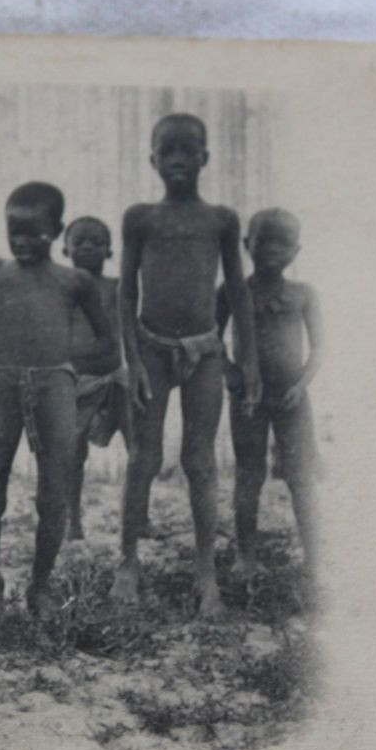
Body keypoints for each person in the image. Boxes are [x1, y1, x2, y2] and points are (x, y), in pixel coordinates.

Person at [111, 114, 260, 616]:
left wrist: (250, 360)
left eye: (188, 150)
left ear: (205, 158)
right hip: (151, 347)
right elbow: (125, 290)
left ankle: (206, 575)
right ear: (152, 159)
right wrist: (130, 361)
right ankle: (127, 563)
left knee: (200, 461)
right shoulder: (139, 218)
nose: (178, 159)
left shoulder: (221, 219)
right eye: (167, 150)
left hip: (204, 350)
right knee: (143, 458)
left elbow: (237, 292)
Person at [0, 182, 117, 616]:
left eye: (34, 233)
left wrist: (61, 364)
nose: (21, 241)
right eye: (13, 231)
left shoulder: (73, 280)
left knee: (52, 492)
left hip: (55, 387)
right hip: (1, 387)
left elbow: (109, 345)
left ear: (56, 231)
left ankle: (39, 585)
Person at [218, 208, 322, 591]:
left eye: (283, 243)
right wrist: (231, 375)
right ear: (247, 245)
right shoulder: (232, 290)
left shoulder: (304, 294)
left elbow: (320, 348)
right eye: (264, 241)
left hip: (293, 397)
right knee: (249, 473)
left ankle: (314, 559)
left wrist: (301, 385)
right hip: (248, 396)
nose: (273, 250)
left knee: (301, 476)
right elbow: (212, 339)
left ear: (296, 250)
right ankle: (246, 556)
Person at [61, 216, 129, 541]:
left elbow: (130, 329)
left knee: (139, 444)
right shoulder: (61, 287)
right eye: (80, 241)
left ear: (109, 251)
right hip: (77, 380)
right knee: (73, 451)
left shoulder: (117, 287)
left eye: (96, 242)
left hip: (117, 377)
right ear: (65, 249)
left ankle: (138, 515)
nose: (87, 247)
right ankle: (72, 519)